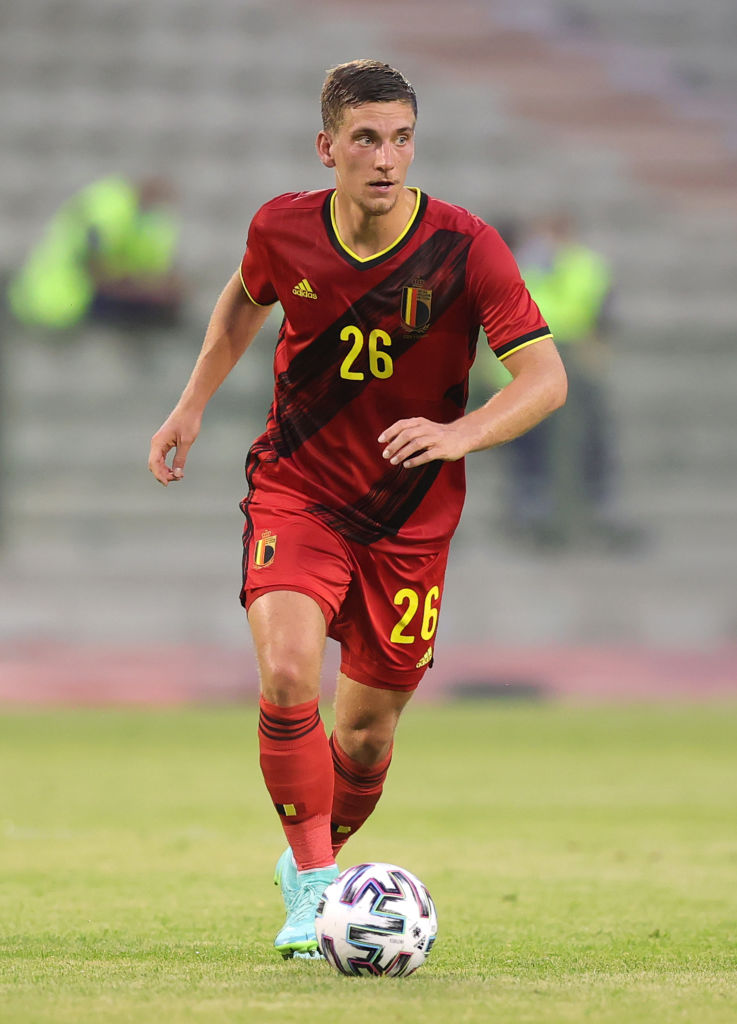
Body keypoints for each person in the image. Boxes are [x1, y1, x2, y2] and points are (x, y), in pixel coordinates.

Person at [148, 59, 567, 960]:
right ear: (326, 146)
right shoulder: (281, 227)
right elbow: (243, 302)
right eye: (366, 139)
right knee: (287, 671)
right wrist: (190, 404)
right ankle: (313, 887)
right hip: (299, 492)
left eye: (401, 139)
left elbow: (545, 378)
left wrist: (461, 433)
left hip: (410, 522)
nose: (385, 158)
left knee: (367, 740)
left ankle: (312, 852)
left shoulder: (464, 248)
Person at [492, 211, 619, 547]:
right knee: (534, 439)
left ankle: (575, 510)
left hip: (567, 358)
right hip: (532, 361)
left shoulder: (581, 266)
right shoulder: (527, 265)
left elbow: (600, 315)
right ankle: (540, 509)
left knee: (575, 438)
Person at [7, 175, 184, 332]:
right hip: (58, 303)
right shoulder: (110, 206)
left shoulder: (155, 223)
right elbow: (94, 266)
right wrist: (141, 289)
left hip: (77, 302)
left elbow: (154, 269)